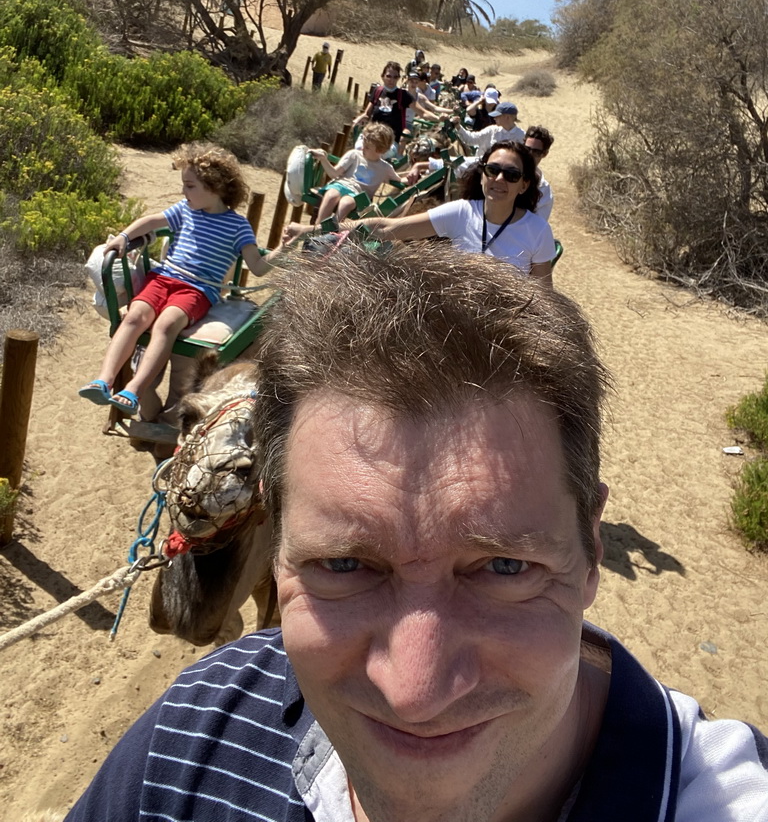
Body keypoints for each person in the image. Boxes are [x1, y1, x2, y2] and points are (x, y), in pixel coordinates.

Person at [64, 242, 768, 822]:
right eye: (344, 563)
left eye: (502, 567)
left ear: (591, 553)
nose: (416, 692)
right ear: (278, 547)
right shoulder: (190, 739)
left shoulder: (725, 799)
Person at [78, 144, 277, 416]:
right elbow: (151, 221)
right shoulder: (185, 210)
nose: (184, 191)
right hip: (163, 278)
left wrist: (285, 248)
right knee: (135, 315)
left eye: (190, 185)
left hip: (197, 288)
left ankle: (133, 390)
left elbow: (257, 266)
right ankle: (104, 380)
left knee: (166, 324)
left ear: (215, 186)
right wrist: (124, 236)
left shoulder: (238, 226)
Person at [366, 140, 556, 283]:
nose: (499, 179)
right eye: (492, 170)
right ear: (482, 175)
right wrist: (341, 230)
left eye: (512, 175)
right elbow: (388, 227)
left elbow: (544, 296)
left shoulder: (537, 231)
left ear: (524, 185)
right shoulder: (461, 213)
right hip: (458, 317)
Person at [308, 122, 403, 223]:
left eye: (367, 147)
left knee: (346, 203)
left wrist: (411, 178)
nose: (362, 148)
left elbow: (399, 180)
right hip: (341, 184)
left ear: (380, 150)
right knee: (331, 195)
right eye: (363, 145)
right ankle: (318, 226)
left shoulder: (385, 168)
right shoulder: (354, 155)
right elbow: (334, 173)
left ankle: (333, 228)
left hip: (357, 194)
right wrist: (323, 159)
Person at [354, 62, 413, 146]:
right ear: (383, 76)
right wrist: (357, 120)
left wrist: (436, 116)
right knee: (359, 147)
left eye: (395, 77)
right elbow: (367, 114)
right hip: (372, 135)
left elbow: (423, 112)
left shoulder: (403, 95)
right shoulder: (378, 91)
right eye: (388, 76)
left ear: (398, 78)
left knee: (379, 152)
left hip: (389, 141)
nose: (391, 79)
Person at [452, 100, 525, 157]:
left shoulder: (521, 136)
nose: (494, 118)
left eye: (498, 116)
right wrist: (458, 126)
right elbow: (470, 139)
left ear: (507, 117)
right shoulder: (491, 130)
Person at [524, 124, 555, 220]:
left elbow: (537, 225)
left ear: (544, 154)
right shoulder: (505, 172)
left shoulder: (544, 190)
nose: (530, 154)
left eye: (536, 152)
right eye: (527, 149)